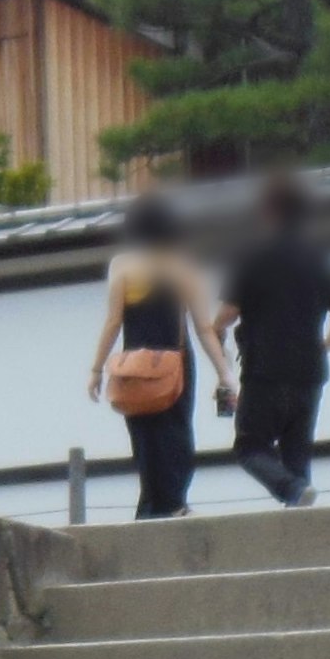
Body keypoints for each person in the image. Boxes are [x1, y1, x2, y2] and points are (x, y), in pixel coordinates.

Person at [86, 192, 232, 519]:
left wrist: (97, 369)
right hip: (175, 363)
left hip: (132, 366)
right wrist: (224, 373)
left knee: (144, 436)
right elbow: (203, 327)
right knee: (175, 432)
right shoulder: (183, 265)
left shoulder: (122, 265)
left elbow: (114, 321)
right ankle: (174, 503)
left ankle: (151, 504)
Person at [214, 173, 330, 506]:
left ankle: (291, 492)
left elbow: (225, 316)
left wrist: (217, 339)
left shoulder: (252, 256)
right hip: (310, 372)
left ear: (269, 212)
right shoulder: (320, 258)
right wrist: (322, 347)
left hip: (265, 371)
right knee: (297, 456)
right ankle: (301, 519)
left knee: (250, 447)